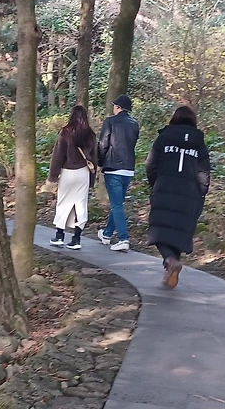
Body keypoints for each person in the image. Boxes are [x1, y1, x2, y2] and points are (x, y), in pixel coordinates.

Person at [145, 105, 211, 288]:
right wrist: (201, 194)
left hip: (164, 189)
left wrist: (155, 184)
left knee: (158, 231)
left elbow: (150, 165)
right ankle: (171, 268)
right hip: (189, 194)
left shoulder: (164, 138)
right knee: (178, 232)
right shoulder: (199, 144)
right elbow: (204, 173)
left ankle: (170, 260)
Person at [47, 105, 98, 249]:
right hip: (83, 173)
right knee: (81, 205)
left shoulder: (65, 132)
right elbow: (94, 159)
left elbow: (58, 155)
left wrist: (53, 176)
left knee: (63, 203)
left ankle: (59, 236)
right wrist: (92, 180)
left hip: (68, 172)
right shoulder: (91, 134)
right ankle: (76, 239)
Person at [96, 93, 139, 250]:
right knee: (118, 204)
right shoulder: (134, 124)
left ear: (118, 107)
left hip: (113, 167)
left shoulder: (110, 122)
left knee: (116, 206)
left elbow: (103, 144)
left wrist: (100, 162)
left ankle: (123, 239)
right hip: (128, 168)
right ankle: (107, 234)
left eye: (114, 106)